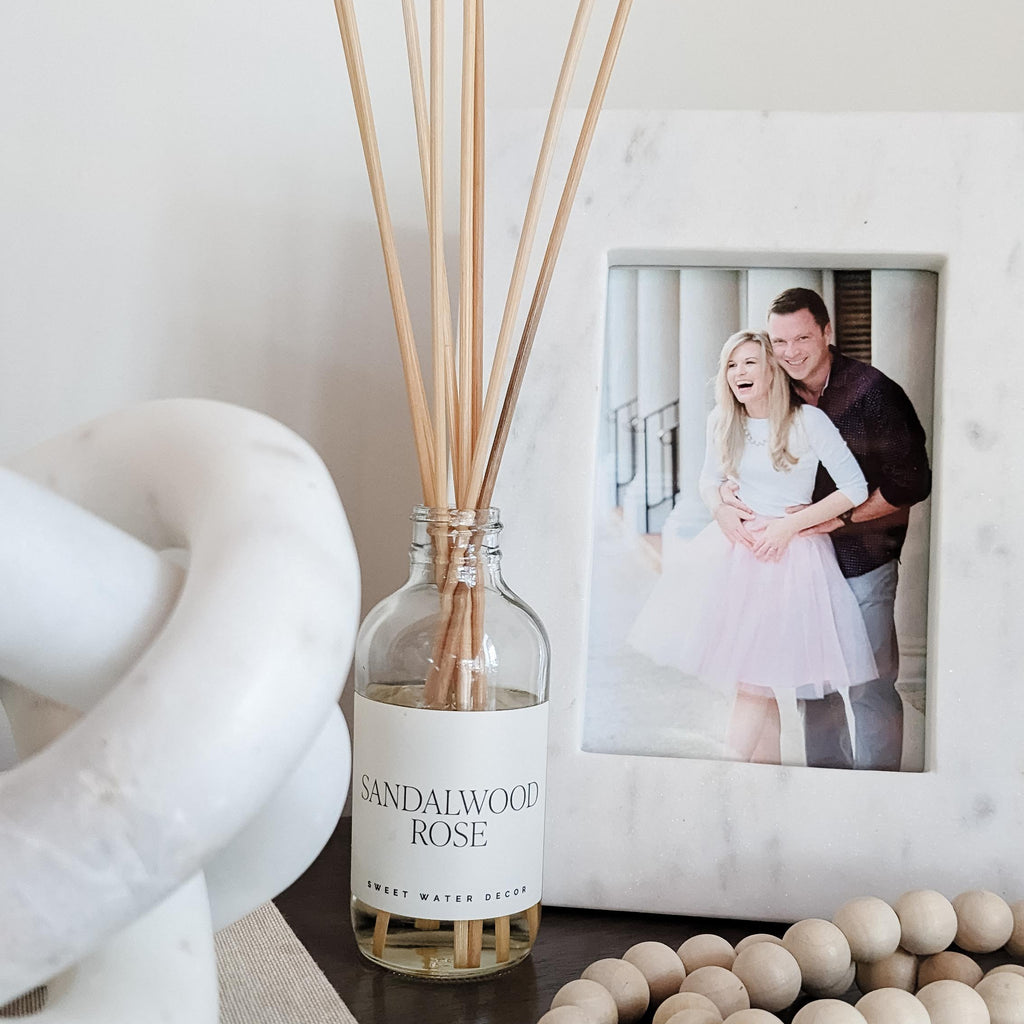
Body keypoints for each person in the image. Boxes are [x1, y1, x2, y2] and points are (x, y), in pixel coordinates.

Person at [627, 330, 878, 764]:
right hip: (737, 556)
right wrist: (720, 508)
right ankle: (763, 781)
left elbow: (855, 488)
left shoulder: (808, 422)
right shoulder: (723, 421)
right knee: (755, 681)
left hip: (790, 559)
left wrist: (792, 525)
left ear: (772, 371)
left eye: (749, 363)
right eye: (731, 364)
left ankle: (722, 773)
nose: (738, 372)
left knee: (753, 684)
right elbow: (708, 481)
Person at [724, 287, 932, 770]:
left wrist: (835, 520)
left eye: (802, 338)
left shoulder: (872, 392)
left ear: (826, 332)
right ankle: (826, 783)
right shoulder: (776, 386)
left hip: (863, 556)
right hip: (798, 563)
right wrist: (722, 501)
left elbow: (912, 482)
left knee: (869, 683)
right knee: (812, 686)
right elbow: (738, 449)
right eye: (779, 342)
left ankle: (876, 790)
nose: (790, 352)